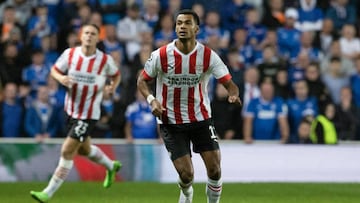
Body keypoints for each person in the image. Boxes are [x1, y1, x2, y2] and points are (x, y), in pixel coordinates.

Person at [137, 9, 241, 203]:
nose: (182, 27)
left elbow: (230, 84)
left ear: (197, 29)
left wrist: (233, 94)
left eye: (186, 23)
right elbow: (142, 81)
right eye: (179, 23)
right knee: (187, 175)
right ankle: (186, 193)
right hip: (171, 121)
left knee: (215, 169)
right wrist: (152, 100)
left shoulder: (208, 56)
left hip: (200, 119)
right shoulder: (161, 55)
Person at [30, 24, 122, 202]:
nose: (89, 36)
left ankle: (47, 193)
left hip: (88, 115)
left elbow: (116, 75)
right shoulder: (70, 54)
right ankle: (111, 166)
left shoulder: (104, 60)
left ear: (97, 38)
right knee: (85, 150)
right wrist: (61, 78)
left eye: (93, 34)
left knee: (67, 150)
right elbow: (55, 71)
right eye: (86, 32)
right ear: (81, 36)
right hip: (70, 111)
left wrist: (112, 87)